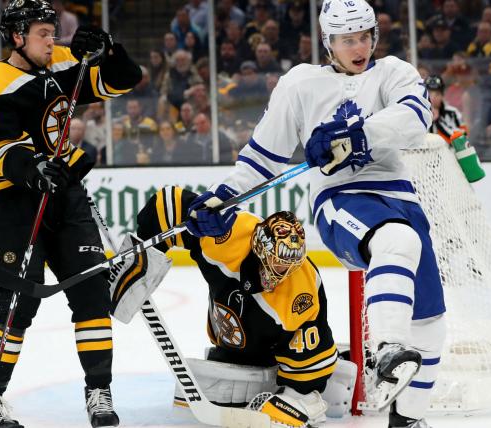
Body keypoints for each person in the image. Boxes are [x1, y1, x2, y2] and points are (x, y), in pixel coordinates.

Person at [185, 1, 445, 427]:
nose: (358, 47)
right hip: (342, 200)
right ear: (328, 42)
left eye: (364, 37)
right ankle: (388, 349)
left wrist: (355, 135)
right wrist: (221, 197)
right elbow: (261, 159)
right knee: (398, 241)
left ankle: (408, 419)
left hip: (400, 198)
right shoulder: (300, 85)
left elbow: (416, 116)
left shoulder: (394, 72)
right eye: (347, 40)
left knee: (431, 318)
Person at [0, 1, 141, 427]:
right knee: (15, 304)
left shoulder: (65, 63)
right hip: (11, 199)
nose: (52, 40)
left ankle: (98, 392)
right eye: (43, 33)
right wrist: (34, 169)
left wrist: (108, 49)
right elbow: (3, 149)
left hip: (64, 195)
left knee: (92, 296)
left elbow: (126, 79)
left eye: (54, 31)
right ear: (17, 37)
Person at [132, 187, 340, 427]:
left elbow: (311, 344)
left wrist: (301, 391)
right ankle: (237, 359)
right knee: (209, 381)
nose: (283, 273)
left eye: (289, 265)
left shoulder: (299, 292)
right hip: (232, 341)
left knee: (301, 369)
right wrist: (145, 250)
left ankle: (304, 398)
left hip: (279, 349)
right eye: (278, 263)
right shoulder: (228, 236)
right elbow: (170, 202)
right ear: (261, 248)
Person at [425, 75, 466, 142]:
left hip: (449, 151)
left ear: (442, 95)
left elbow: (462, 139)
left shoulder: (453, 112)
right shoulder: (418, 113)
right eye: (429, 94)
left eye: (437, 94)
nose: (432, 98)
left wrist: (438, 121)